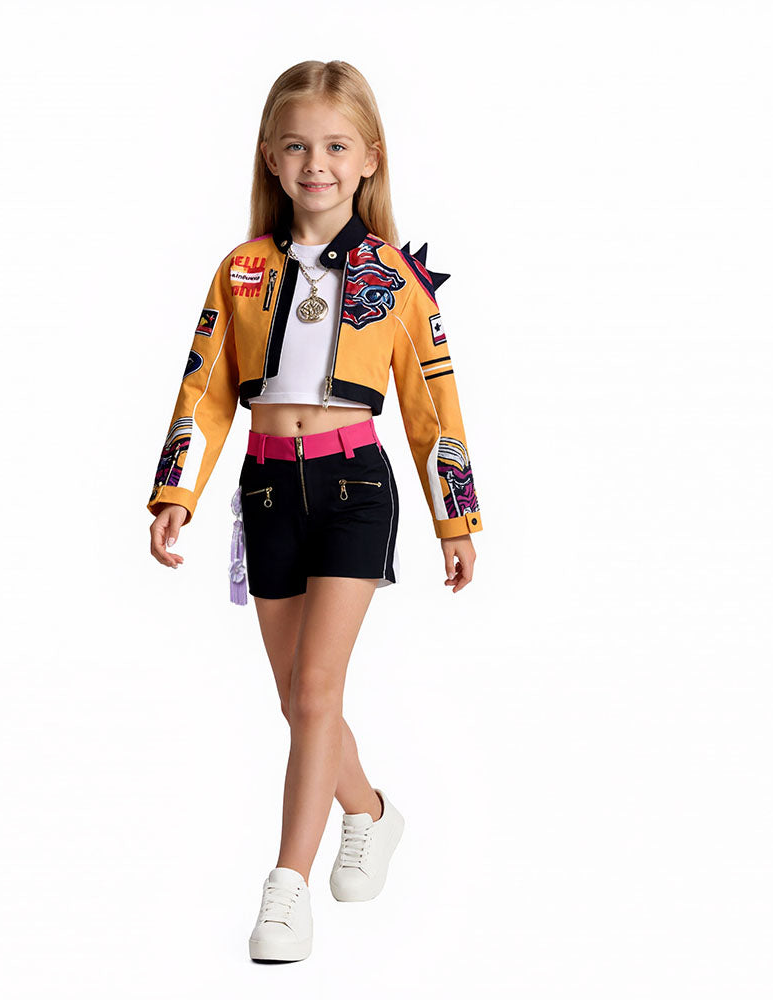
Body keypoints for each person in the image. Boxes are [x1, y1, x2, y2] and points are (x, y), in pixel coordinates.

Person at [146, 60, 482, 963]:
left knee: (316, 689)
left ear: (371, 157)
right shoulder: (241, 271)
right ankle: (368, 811)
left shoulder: (394, 280)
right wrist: (176, 493)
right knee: (297, 698)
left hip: (353, 490)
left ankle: (285, 889)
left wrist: (456, 520)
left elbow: (433, 407)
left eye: (336, 146)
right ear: (270, 155)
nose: (316, 163)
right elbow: (204, 389)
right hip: (264, 491)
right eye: (297, 146)